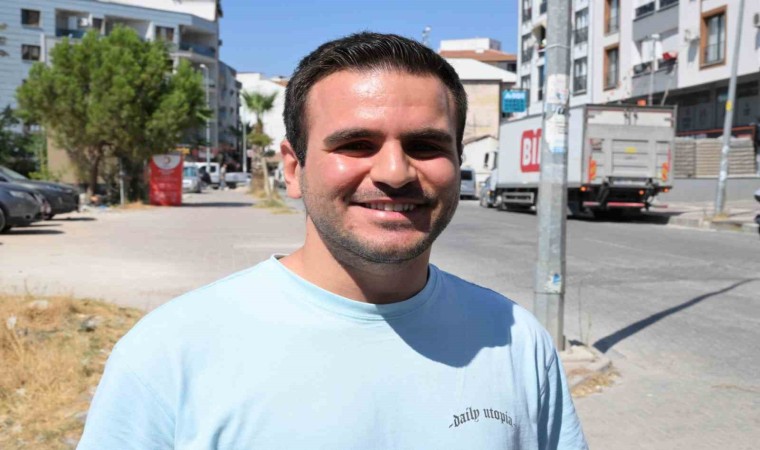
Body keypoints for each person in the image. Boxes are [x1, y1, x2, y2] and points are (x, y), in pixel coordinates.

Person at [78, 32, 587, 449]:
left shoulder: (516, 340)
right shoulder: (170, 352)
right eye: (357, 144)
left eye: (425, 145)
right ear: (293, 168)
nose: (394, 172)